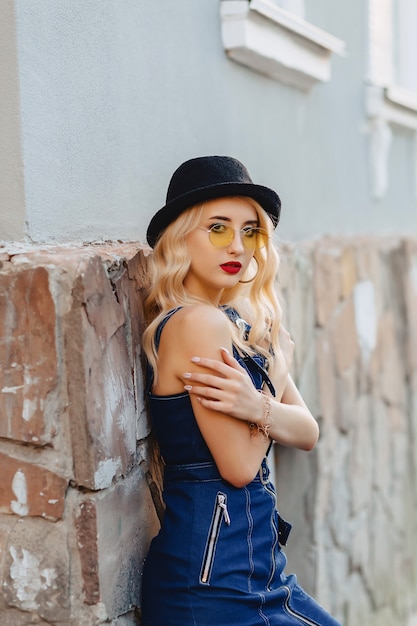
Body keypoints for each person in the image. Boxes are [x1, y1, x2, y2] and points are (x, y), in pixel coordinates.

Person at [141, 156, 341, 626]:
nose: (238, 245)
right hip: (212, 583)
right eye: (217, 228)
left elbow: (308, 431)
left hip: (257, 573)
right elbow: (239, 466)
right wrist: (274, 375)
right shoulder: (196, 324)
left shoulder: (236, 324)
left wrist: (257, 403)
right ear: (181, 237)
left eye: (250, 231)